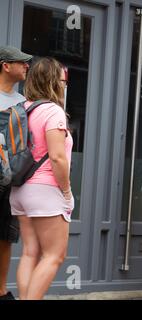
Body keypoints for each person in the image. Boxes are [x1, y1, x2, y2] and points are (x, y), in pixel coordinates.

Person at [9, 57, 74, 300]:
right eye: (62, 81)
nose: (64, 85)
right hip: (46, 190)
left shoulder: (22, 109)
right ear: (52, 82)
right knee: (55, 255)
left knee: (30, 253)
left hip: (20, 190)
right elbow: (57, 157)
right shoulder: (53, 111)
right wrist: (66, 192)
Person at [0, 45, 32, 300]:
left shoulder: (23, 103)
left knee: (5, 237)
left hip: (11, 180)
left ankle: (1, 290)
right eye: (21, 62)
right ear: (5, 65)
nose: (26, 66)